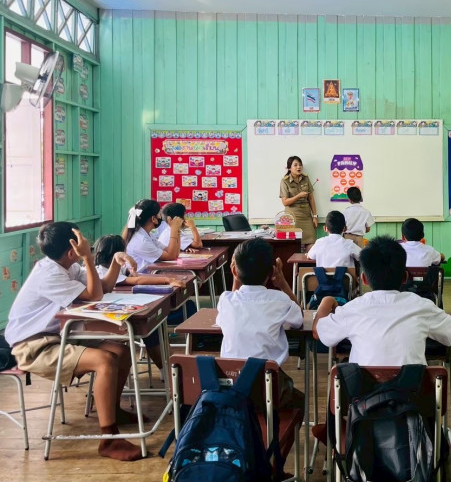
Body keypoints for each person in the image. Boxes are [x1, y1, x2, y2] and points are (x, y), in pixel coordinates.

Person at [4, 223, 144, 461]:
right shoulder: (49, 274)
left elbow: (102, 288)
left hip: (57, 337)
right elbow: (94, 295)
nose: (87, 242)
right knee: (105, 360)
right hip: (32, 346)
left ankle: (112, 410)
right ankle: (109, 438)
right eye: (82, 241)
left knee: (121, 350)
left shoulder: (69, 266)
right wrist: (88, 258)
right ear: (72, 251)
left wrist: (114, 262)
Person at [313, 235, 451, 366]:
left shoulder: (352, 309)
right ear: (405, 277)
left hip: (363, 395)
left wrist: (326, 301)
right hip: (413, 394)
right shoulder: (422, 306)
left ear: (364, 279)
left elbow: (318, 332)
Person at [216, 239, 304, 409]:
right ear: (272, 271)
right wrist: (283, 283)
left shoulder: (226, 300)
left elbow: (234, 301)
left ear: (234, 270)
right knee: (299, 401)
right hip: (268, 388)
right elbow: (299, 319)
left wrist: (236, 279)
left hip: (231, 388)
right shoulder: (280, 300)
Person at [93, 234, 196, 370]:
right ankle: (168, 369)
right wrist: (167, 280)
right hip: (111, 319)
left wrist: (131, 271)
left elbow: (133, 276)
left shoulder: (114, 268)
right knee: (151, 324)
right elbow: (136, 280)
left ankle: (170, 368)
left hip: (121, 311)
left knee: (155, 324)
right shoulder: (102, 272)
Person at [122, 198, 183, 272]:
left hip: (150, 274)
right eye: (159, 214)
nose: (161, 217)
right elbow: (171, 256)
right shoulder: (141, 241)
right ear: (153, 218)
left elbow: (175, 254)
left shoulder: (148, 235)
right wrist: (173, 229)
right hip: (142, 277)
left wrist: (177, 229)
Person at [279, 156, 318, 250]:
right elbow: (285, 202)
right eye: (295, 165)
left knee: (312, 245)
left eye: (300, 165)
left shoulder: (305, 178)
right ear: (289, 168)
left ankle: (308, 260)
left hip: (306, 217)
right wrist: (298, 196)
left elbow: (311, 198)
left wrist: (315, 216)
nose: (298, 167)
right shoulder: (285, 181)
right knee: (294, 245)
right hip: (293, 218)